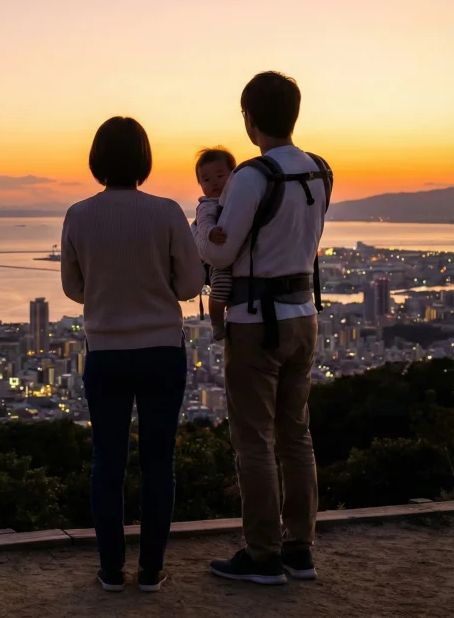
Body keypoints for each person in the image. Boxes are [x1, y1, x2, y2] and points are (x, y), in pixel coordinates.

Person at [193, 72, 330, 585]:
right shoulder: (320, 171)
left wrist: (202, 227)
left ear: (249, 119)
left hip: (255, 323)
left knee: (253, 439)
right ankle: (300, 548)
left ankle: (262, 553)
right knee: (297, 435)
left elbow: (221, 250)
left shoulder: (252, 176)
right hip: (303, 316)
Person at [61, 116, 205, 594]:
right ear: (144, 159)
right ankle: (150, 570)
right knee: (158, 462)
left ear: (97, 160)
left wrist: (111, 293)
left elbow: (72, 288)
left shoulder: (78, 215)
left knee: (107, 461)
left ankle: (109, 570)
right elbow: (190, 284)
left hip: (105, 352)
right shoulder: (166, 212)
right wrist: (154, 286)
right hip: (162, 350)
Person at [193, 147, 237, 341]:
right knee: (221, 286)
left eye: (220, 175)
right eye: (206, 179)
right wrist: (211, 232)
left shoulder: (237, 200)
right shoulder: (208, 204)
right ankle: (217, 322)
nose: (214, 183)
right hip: (220, 259)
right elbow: (203, 223)